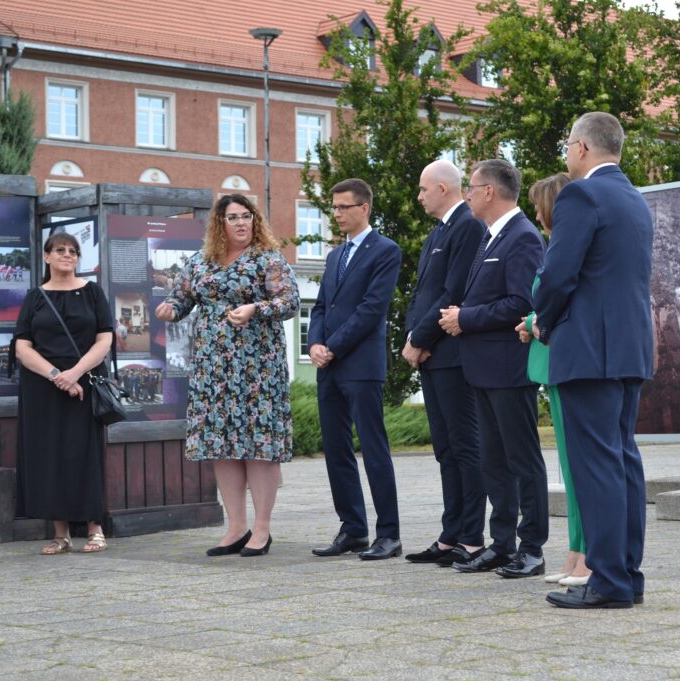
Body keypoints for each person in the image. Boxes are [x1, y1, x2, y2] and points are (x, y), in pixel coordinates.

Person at [533, 112, 654, 609]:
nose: (566, 154)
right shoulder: (634, 199)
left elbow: (558, 273)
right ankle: (626, 575)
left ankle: (606, 582)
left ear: (582, 148)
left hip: (587, 350)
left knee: (596, 466)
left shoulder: (581, 195)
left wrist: (543, 319)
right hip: (628, 350)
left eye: (567, 144)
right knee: (622, 462)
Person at [154, 194, 298, 558]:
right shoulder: (201, 261)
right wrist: (169, 309)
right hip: (213, 368)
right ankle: (235, 527)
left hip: (257, 369)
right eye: (232, 217)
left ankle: (262, 529)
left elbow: (290, 302)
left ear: (255, 220)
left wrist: (255, 308)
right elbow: (182, 297)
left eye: (246, 216)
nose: (240, 223)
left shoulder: (268, 258)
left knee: (259, 444)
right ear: (219, 223)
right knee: (222, 445)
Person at [439, 159, 548, 579]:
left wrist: (465, 318)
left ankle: (532, 548)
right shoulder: (489, 238)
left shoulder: (522, 237)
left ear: (489, 191)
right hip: (482, 368)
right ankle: (501, 545)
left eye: (470, 187)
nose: (465, 194)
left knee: (522, 460)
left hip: (508, 367)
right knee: (493, 462)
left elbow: (521, 304)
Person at [308, 178, 403, 561]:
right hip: (329, 366)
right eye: (333, 208)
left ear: (364, 208)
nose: (337, 214)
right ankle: (352, 530)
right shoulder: (334, 256)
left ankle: (389, 534)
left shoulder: (386, 251)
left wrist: (331, 346)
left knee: (374, 448)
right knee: (336, 449)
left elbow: (371, 310)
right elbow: (319, 308)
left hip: (361, 365)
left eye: (343, 207)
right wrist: (313, 343)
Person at [402, 160, 487, 567]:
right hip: (432, 356)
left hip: (452, 355)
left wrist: (419, 338)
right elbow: (423, 294)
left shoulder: (468, 226)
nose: (418, 197)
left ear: (441, 188)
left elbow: (454, 293)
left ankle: (472, 536)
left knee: (465, 446)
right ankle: (451, 534)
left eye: (422, 189)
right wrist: (411, 335)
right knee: (445, 449)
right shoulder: (439, 231)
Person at [13, 234, 114, 555]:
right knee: (49, 456)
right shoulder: (35, 297)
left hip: (85, 383)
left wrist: (75, 373)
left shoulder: (92, 293)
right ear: (47, 257)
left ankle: (95, 529)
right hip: (42, 388)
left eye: (73, 251)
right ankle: (61, 534)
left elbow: (105, 340)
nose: (67, 255)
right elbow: (21, 346)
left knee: (85, 454)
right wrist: (57, 376)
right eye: (60, 250)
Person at [514, 172, 589, 587]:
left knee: (579, 469)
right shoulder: (555, 248)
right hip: (553, 364)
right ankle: (575, 553)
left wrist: (530, 320)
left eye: (540, 206)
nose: (537, 215)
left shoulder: (566, 248)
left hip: (567, 358)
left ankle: (586, 556)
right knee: (568, 466)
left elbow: (561, 300)